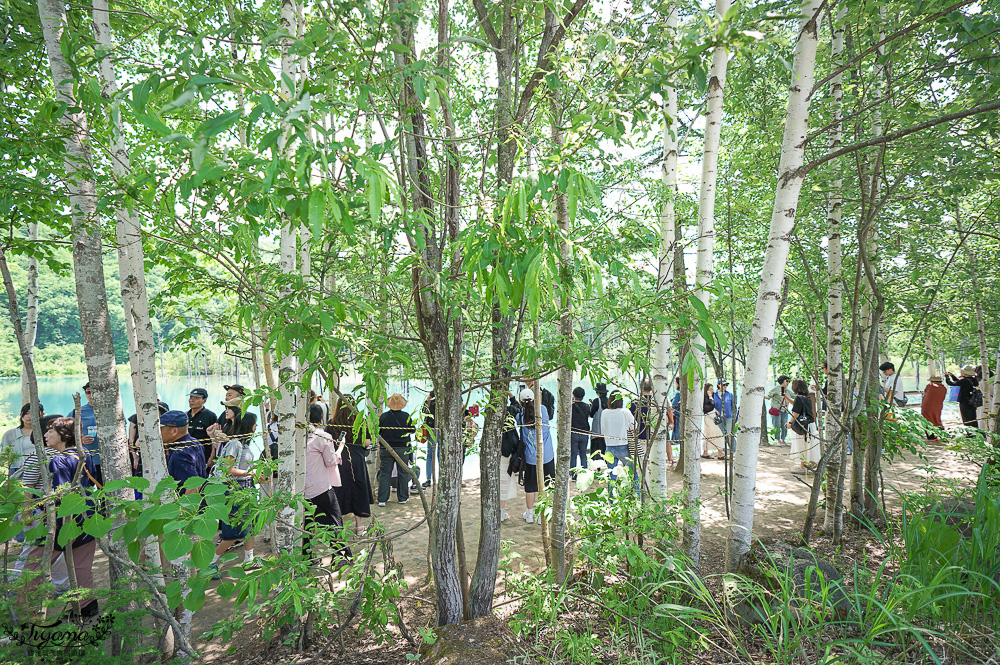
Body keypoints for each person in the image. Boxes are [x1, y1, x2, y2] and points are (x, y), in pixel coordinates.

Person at [19, 417, 99, 619]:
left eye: (50, 431)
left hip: (65, 523)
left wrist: (62, 531)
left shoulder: (60, 460)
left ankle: (24, 611)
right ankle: (86, 611)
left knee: (33, 566)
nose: (45, 435)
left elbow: (61, 497)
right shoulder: (84, 454)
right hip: (88, 518)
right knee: (82, 568)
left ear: (64, 436)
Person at [207, 408, 259, 579]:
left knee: (249, 527)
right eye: (254, 424)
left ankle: (249, 560)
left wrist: (256, 474)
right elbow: (227, 469)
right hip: (235, 492)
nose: (256, 426)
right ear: (247, 425)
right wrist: (248, 473)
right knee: (234, 533)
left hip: (247, 490)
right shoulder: (234, 444)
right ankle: (210, 563)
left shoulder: (244, 445)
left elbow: (243, 467)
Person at [302, 403, 350, 562]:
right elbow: (330, 461)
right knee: (334, 521)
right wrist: (340, 449)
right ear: (321, 418)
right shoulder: (323, 436)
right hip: (320, 487)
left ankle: (307, 557)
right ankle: (341, 556)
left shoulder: (298, 435)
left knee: (306, 524)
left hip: (302, 490)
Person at [329, 396, 373, 533]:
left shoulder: (332, 423)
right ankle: (359, 527)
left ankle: (338, 527)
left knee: (339, 491)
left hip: (339, 460)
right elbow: (367, 442)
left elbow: (327, 443)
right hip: (357, 460)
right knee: (358, 490)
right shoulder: (360, 422)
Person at [516, 388, 554, 523]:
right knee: (548, 485)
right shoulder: (542, 409)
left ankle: (530, 513)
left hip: (531, 457)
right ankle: (542, 514)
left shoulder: (519, 415)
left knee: (530, 486)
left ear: (521, 401)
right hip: (547, 455)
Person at [377, 393, 416, 506]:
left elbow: (378, 432)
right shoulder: (406, 416)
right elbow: (412, 430)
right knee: (403, 472)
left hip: (386, 448)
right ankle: (402, 497)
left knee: (385, 473)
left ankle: (382, 499)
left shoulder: (383, 416)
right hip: (402, 448)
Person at [160, 410, 207, 495]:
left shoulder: (180, 454)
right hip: (202, 498)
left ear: (174, 431)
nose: (158, 432)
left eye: (161, 429)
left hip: (189, 503)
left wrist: (183, 508)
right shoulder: (195, 442)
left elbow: (194, 487)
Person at [603, 390, 638, 498]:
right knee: (633, 474)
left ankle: (612, 502)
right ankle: (636, 497)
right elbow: (635, 426)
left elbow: (603, 430)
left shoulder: (604, 412)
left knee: (611, 476)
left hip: (609, 447)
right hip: (623, 446)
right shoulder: (625, 411)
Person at [67, 383, 102, 487]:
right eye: (88, 392)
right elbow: (65, 431)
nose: (91, 395)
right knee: (86, 491)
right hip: (84, 458)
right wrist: (80, 438)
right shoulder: (77, 412)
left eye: (94, 391)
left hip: (105, 458)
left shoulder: (110, 410)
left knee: (106, 492)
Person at [2, 402, 44, 478]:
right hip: (15, 470)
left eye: (33, 413)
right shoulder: (10, 434)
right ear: (21, 415)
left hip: (38, 470)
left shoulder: (44, 433)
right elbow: (4, 454)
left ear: (40, 416)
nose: (29, 416)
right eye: (27, 413)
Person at [789, 379, 819, 473]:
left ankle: (803, 467)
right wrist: (786, 397)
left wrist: (790, 423)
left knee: (802, 444)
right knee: (809, 444)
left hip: (803, 425)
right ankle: (811, 462)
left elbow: (796, 412)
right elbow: (797, 406)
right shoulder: (807, 396)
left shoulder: (799, 397)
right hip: (810, 423)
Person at [499, 394, 521, 522]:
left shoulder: (490, 411)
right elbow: (519, 408)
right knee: (505, 483)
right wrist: (512, 396)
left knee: (499, 483)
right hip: (508, 452)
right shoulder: (511, 411)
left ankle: (499, 511)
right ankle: (501, 511)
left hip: (496, 452)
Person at [186, 388, 217, 469]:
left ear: (204, 400)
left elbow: (214, 439)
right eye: (191, 398)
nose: (192, 400)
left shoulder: (210, 416)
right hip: (187, 453)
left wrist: (212, 457)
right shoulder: (185, 415)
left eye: (196, 398)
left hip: (204, 454)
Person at [701, 383, 726, 459]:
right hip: (709, 417)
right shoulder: (706, 397)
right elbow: (711, 404)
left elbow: (710, 407)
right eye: (710, 389)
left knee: (708, 435)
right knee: (717, 434)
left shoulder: (705, 398)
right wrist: (710, 396)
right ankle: (720, 454)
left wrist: (714, 410)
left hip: (710, 416)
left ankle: (706, 453)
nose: (712, 391)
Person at [767, 376, 793, 445]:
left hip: (784, 410)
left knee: (784, 426)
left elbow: (795, 396)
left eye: (789, 381)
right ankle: (778, 440)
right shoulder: (776, 389)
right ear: (782, 381)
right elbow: (768, 396)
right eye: (786, 381)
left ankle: (783, 439)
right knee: (777, 425)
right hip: (776, 410)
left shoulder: (788, 391)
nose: (788, 382)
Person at [570, 387, 591, 472]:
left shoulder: (570, 407)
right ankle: (584, 472)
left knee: (573, 455)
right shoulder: (587, 406)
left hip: (573, 433)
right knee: (583, 455)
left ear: (573, 395)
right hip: (584, 433)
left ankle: (573, 475)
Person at [921, 376, 947, 440]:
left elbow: (925, 392)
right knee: (937, 419)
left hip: (927, 405)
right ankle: (942, 435)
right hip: (938, 405)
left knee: (928, 419)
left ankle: (931, 436)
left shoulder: (930, 386)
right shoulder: (944, 388)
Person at [420, 391, 436, 487]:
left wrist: (428, 398)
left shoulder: (430, 403)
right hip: (439, 430)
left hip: (432, 430)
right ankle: (435, 478)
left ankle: (429, 479)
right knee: (438, 455)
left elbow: (423, 410)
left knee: (430, 455)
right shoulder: (445, 403)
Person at [590, 383, 609, 458]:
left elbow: (591, 414)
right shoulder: (609, 401)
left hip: (597, 431)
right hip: (607, 432)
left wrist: (591, 406)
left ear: (598, 392)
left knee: (596, 453)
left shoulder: (596, 401)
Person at [714, 381, 735, 445]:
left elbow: (734, 407)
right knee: (721, 434)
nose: (725, 386)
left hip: (728, 417)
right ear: (718, 385)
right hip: (718, 418)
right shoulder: (714, 395)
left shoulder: (730, 395)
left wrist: (735, 418)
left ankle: (734, 449)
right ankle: (722, 450)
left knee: (729, 434)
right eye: (723, 385)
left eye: (726, 385)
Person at [670, 378, 681, 465]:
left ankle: (680, 456)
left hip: (678, 416)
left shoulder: (678, 393)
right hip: (682, 417)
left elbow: (672, 406)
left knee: (678, 436)